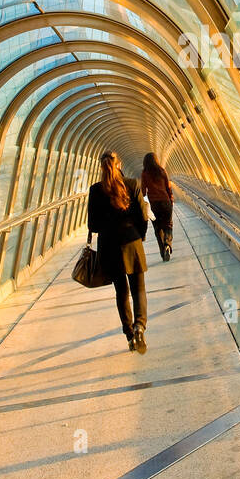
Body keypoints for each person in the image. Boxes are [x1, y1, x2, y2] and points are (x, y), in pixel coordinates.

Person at [87, 151, 150, 353]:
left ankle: (130, 334)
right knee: (138, 289)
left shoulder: (95, 190)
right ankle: (140, 325)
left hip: (109, 246)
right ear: (119, 164)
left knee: (121, 292)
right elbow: (143, 216)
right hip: (131, 243)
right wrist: (139, 236)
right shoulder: (132, 184)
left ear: (101, 166)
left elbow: (93, 225)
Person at [140, 152, 174, 262]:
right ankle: (167, 244)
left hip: (154, 204)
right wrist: (171, 199)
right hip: (165, 201)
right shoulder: (162, 171)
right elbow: (168, 187)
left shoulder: (145, 173)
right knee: (168, 225)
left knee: (158, 228)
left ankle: (162, 251)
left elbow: (143, 192)